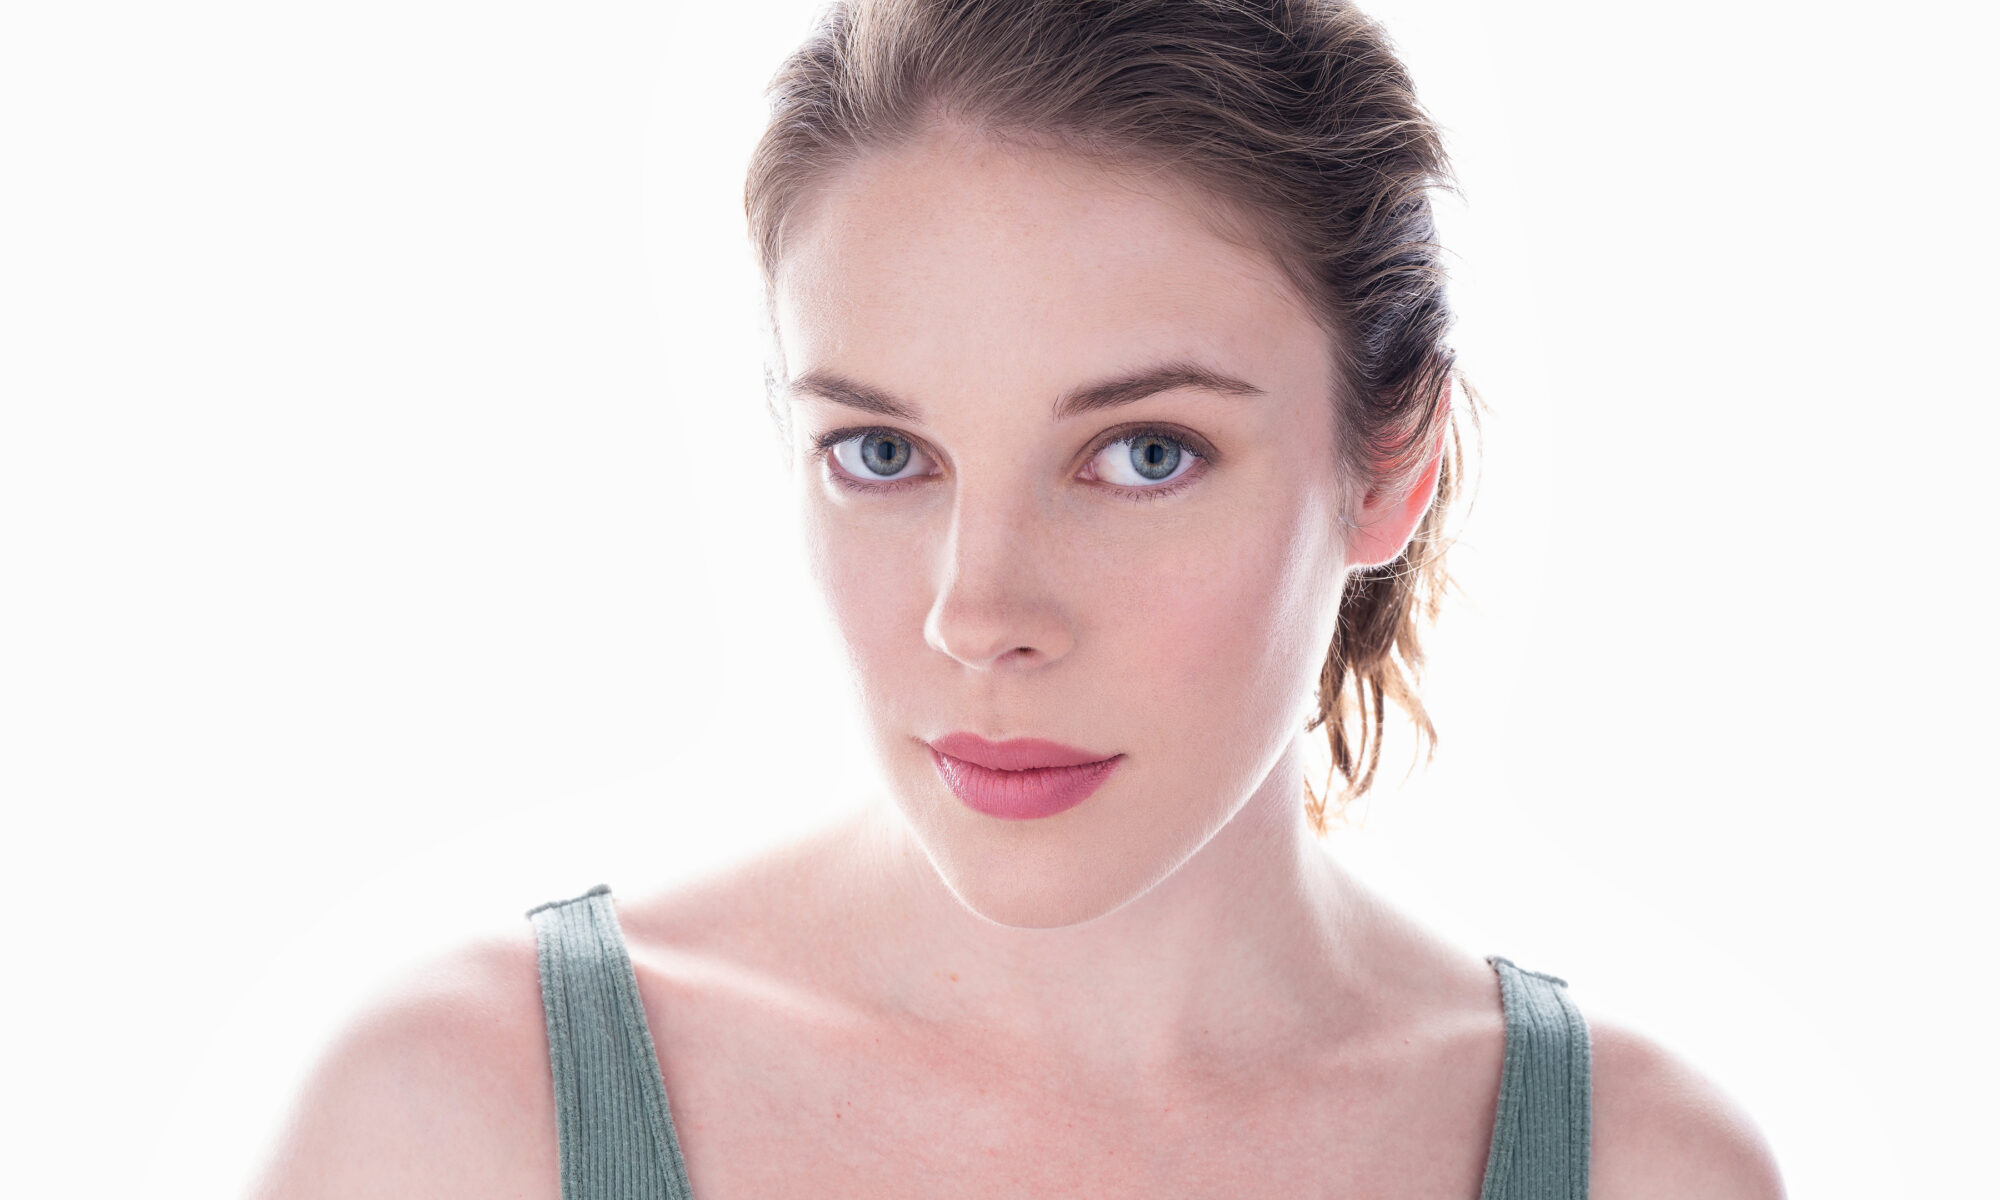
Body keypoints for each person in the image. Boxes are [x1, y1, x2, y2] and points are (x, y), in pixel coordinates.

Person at [251, 2, 1786, 1196]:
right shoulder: (459, 1124)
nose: (977, 614)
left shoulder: (1640, 1172)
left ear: (1391, 463)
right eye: (882, 452)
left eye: (1144, 453)